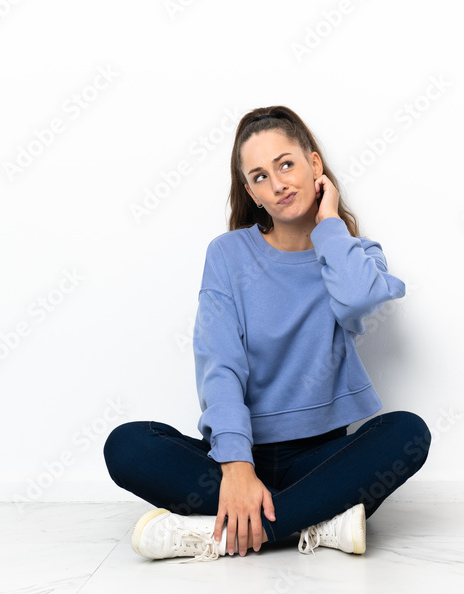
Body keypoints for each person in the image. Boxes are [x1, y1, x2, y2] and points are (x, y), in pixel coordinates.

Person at [103, 106, 431, 562]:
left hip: (322, 460)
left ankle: (218, 534)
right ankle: (317, 520)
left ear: (314, 165)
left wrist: (329, 223)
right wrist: (237, 466)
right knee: (128, 446)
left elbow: (358, 299)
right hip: (240, 457)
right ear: (251, 193)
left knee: (407, 432)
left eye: (286, 165)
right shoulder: (228, 254)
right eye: (259, 177)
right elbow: (220, 364)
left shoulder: (352, 254)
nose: (277, 184)